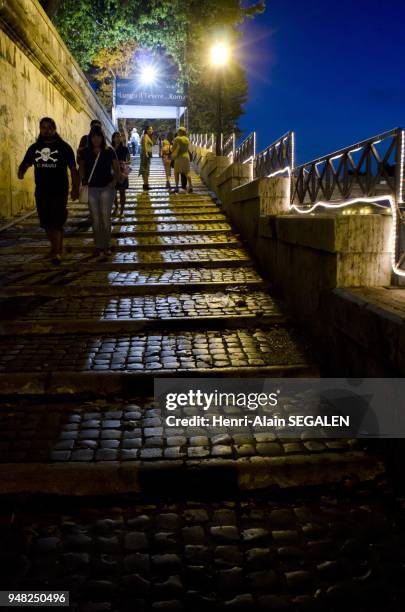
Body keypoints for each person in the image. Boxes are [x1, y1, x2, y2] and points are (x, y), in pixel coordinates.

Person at [18, 117, 79, 265]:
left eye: (49, 127)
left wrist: (75, 188)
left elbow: (73, 168)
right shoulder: (35, 148)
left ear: (54, 129)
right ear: (40, 129)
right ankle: (55, 247)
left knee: (57, 221)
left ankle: (57, 252)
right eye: (43, 127)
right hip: (42, 190)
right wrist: (21, 171)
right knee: (46, 222)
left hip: (59, 189)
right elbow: (26, 162)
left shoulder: (64, 147)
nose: (46, 130)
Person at [78, 125, 120, 257]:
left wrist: (114, 182)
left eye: (99, 136)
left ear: (102, 138)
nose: (96, 139)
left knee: (105, 217)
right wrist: (83, 181)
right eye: (94, 137)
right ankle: (98, 245)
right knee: (95, 218)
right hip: (92, 188)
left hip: (107, 187)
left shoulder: (109, 151)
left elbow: (117, 168)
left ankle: (106, 245)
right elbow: (81, 167)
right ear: (90, 138)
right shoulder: (85, 152)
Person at [111, 132, 131, 216]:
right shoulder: (110, 149)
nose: (118, 138)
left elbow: (130, 161)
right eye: (116, 137)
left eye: (119, 137)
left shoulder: (125, 149)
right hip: (113, 172)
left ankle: (122, 211)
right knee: (114, 192)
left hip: (122, 171)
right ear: (113, 139)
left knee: (122, 192)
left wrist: (123, 162)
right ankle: (116, 208)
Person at [171, 126, 193, 193]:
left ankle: (177, 187)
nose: (177, 132)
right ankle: (191, 186)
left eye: (178, 131)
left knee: (176, 172)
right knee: (187, 172)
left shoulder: (177, 138)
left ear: (180, 132)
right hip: (186, 156)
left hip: (179, 157)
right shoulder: (187, 139)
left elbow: (173, 149)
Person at [139, 125, 153, 190]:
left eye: (152, 129)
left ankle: (146, 184)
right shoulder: (145, 136)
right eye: (150, 129)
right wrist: (146, 153)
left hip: (146, 155)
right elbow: (144, 145)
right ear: (146, 130)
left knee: (146, 169)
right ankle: (145, 185)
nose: (151, 130)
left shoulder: (147, 136)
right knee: (145, 170)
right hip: (145, 155)